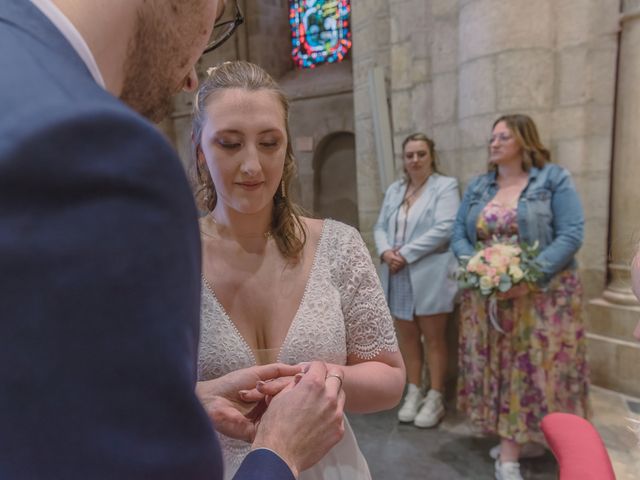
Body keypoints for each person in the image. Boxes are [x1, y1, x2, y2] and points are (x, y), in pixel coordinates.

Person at [0, 1, 347, 478]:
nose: (188, 80)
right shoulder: (92, 148)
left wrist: (188, 399)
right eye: (217, 21)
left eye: (270, 142)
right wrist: (278, 453)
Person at [192, 60, 405, 480]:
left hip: (329, 466)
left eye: (269, 143)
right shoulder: (170, 255)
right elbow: (134, 393)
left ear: (287, 150)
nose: (252, 166)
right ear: (201, 152)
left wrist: (320, 379)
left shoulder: (338, 245)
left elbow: (390, 378)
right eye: (230, 144)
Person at [451, 114, 589, 480]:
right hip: (489, 299)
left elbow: (571, 233)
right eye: (492, 137)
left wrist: (528, 276)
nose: (493, 143)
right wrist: (481, 269)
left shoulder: (553, 180)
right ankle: (513, 442)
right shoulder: (480, 186)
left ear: (524, 141)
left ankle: (513, 450)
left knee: (529, 370)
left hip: (541, 299)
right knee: (499, 370)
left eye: (503, 137)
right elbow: (458, 236)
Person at [373, 133, 459, 427]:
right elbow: (380, 225)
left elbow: (445, 227)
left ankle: (435, 396)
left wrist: (405, 253)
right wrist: (385, 251)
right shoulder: (396, 190)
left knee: (434, 338)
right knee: (407, 338)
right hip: (397, 274)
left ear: (431, 156)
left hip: (428, 272)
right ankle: (413, 391)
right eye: (409, 155)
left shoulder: (445, 187)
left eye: (421, 154)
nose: (415, 160)